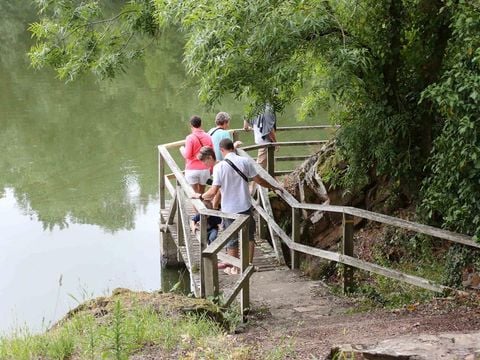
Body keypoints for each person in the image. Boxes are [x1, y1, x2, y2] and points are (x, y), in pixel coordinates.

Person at [193, 138, 282, 275]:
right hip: (245, 206)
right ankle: (248, 266)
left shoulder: (219, 167)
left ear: (222, 150)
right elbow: (259, 180)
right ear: (232, 147)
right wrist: (274, 187)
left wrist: (200, 196)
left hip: (229, 209)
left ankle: (235, 268)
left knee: (232, 239)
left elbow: (213, 192)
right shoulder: (245, 161)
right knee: (249, 237)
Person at [180, 115, 213, 194]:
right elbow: (212, 153)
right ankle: (201, 205)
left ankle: (196, 206)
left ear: (191, 125)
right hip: (205, 169)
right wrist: (211, 168)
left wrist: (182, 150)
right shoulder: (208, 136)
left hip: (192, 170)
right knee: (201, 193)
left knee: (194, 195)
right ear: (201, 124)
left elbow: (187, 155)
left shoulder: (190, 138)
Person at [243, 103, 277, 169]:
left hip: (258, 139)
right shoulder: (268, 109)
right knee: (260, 165)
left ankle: (272, 178)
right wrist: (276, 143)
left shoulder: (252, 107)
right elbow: (270, 130)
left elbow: (245, 127)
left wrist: (250, 128)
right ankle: (255, 178)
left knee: (269, 162)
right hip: (265, 141)